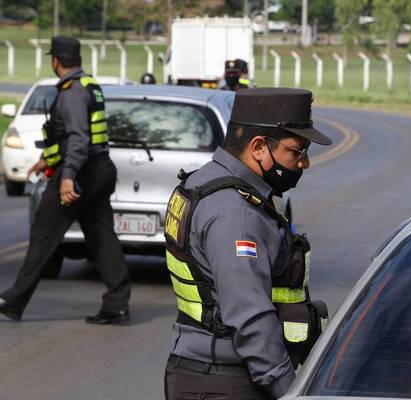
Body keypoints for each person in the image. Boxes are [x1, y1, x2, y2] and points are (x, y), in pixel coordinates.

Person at [163, 88, 332, 399]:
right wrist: (289, 391)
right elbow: (249, 314)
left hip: (205, 373)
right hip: (226, 381)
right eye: (296, 152)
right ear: (258, 147)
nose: (304, 163)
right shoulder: (235, 214)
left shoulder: (202, 182)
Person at [0, 37, 131, 324]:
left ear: (55, 61)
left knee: (44, 233)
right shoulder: (89, 86)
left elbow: (78, 137)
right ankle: (117, 304)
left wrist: (67, 177)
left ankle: (13, 300)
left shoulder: (71, 92)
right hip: (100, 168)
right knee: (101, 238)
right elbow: (78, 135)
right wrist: (47, 159)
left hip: (81, 171)